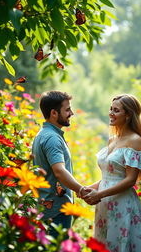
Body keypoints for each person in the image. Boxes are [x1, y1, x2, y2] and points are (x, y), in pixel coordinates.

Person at [83, 94, 141, 252]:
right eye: (110, 109)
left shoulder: (134, 140)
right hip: (104, 205)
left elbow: (130, 180)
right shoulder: (112, 139)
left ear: (128, 115)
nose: (111, 113)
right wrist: (88, 188)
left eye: (116, 110)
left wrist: (99, 194)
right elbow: (108, 177)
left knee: (120, 245)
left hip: (122, 204)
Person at [32, 90, 90, 238]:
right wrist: (81, 189)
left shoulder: (43, 134)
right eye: (67, 109)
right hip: (56, 211)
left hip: (47, 208)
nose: (71, 113)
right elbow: (59, 171)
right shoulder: (52, 138)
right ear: (54, 113)